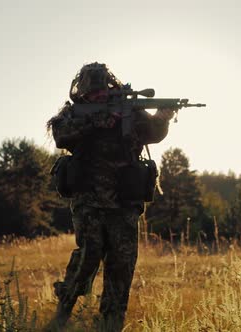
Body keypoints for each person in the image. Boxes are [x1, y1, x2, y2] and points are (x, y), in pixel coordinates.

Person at [46, 62, 174, 330]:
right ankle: (62, 314)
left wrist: (162, 117)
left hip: (124, 203)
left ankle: (110, 323)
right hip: (89, 202)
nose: (98, 96)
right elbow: (60, 135)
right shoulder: (75, 113)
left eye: (101, 90)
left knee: (122, 265)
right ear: (83, 93)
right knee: (87, 258)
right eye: (92, 93)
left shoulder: (130, 110)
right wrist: (97, 122)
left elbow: (152, 134)